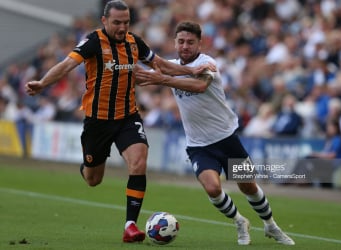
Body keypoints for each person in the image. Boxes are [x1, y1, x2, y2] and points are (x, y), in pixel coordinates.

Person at [25, 0, 208, 244]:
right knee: (93, 179)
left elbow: (161, 65)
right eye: (117, 23)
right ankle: (88, 164)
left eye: (126, 22)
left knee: (138, 162)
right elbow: (67, 64)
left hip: (127, 117)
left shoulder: (135, 42)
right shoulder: (93, 42)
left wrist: (192, 71)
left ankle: (130, 226)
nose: (122, 27)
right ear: (104, 21)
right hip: (97, 121)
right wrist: (42, 84)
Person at [135, 21, 295, 246]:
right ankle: (239, 221)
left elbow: (198, 86)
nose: (185, 46)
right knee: (212, 188)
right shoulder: (170, 66)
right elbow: (145, 72)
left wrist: (161, 79)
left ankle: (271, 225)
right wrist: (121, 69)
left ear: (200, 43)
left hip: (226, 139)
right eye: (181, 41)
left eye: (190, 42)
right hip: (198, 145)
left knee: (248, 185)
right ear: (175, 43)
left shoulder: (207, 64)